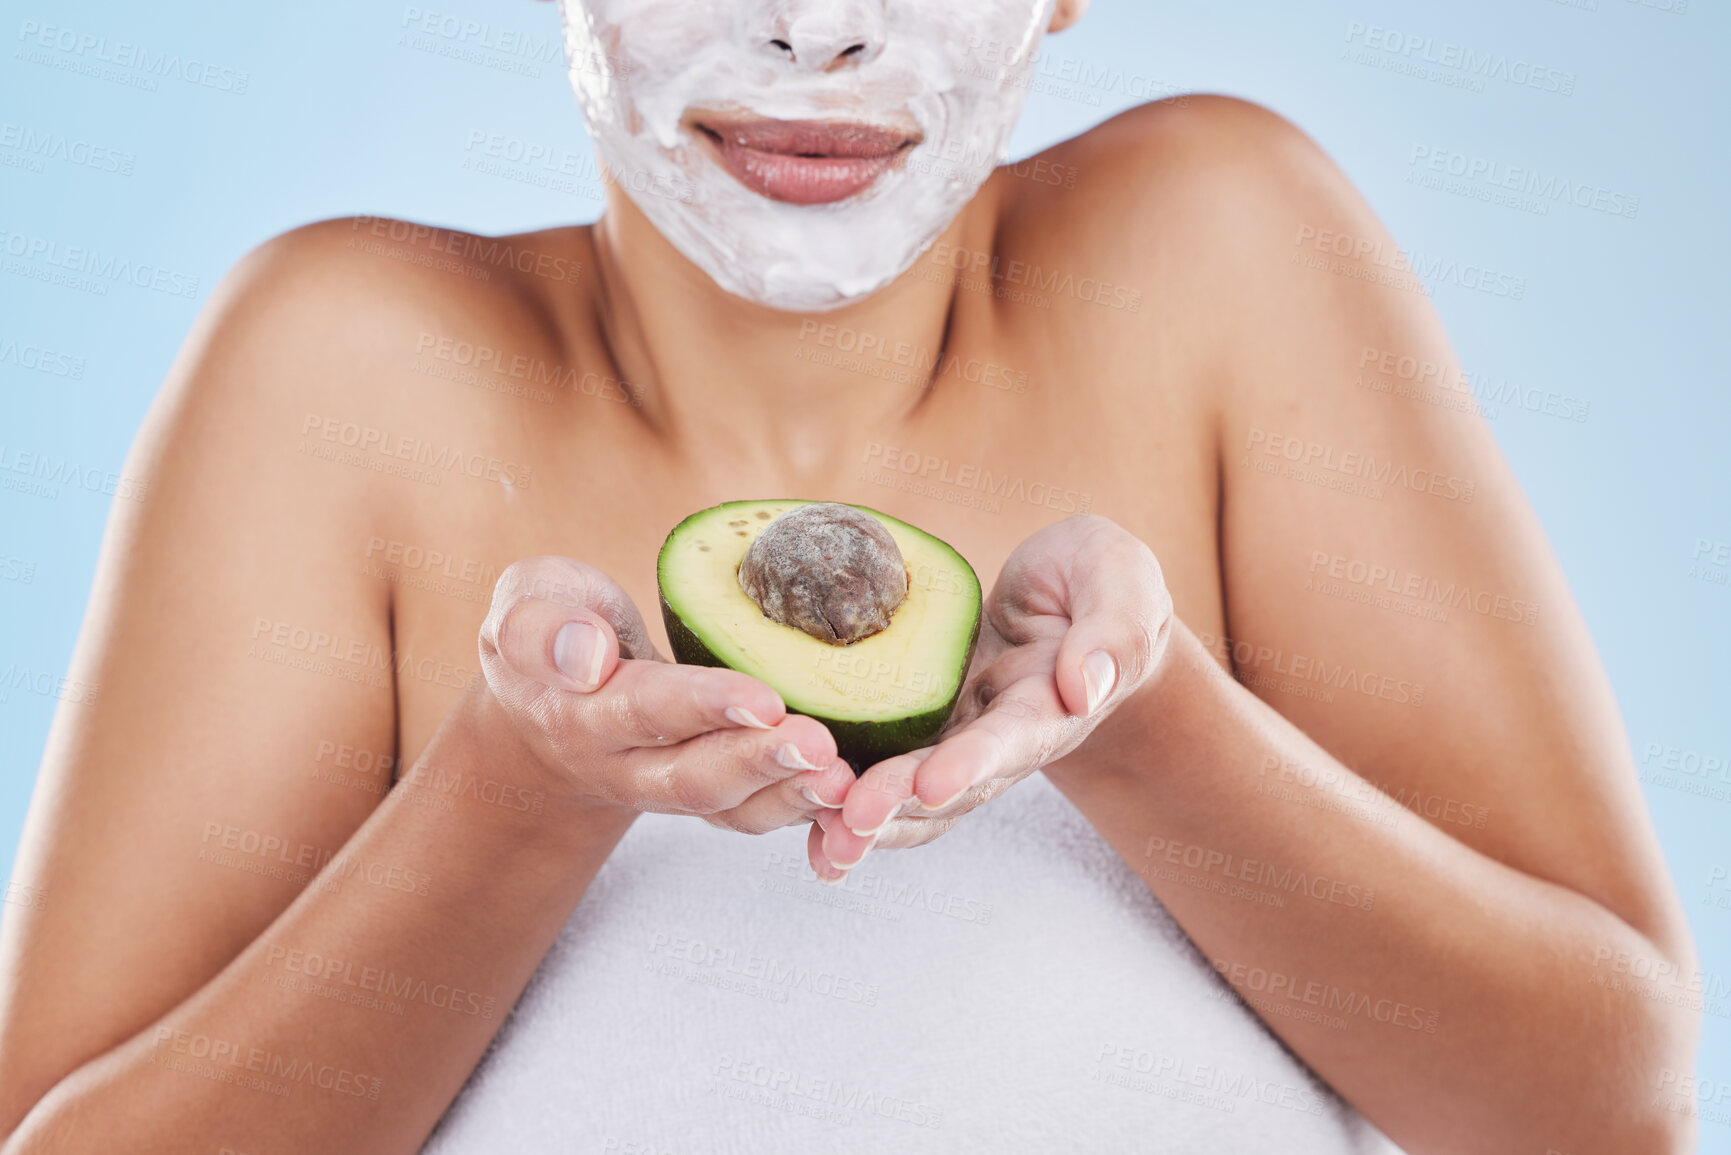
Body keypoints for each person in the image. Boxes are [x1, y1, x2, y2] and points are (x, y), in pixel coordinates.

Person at [0, 0, 1700, 1152]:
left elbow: (1599, 1101)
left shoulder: (1220, 258)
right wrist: (512, 798)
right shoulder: (348, 378)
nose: (818, 27)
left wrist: (1151, 722)